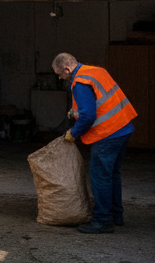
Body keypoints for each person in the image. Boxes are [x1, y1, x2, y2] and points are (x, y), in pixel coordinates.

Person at [53, 52, 138, 234]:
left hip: (107, 134)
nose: (60, 78)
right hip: (123, 128)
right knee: (112, 174)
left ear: (67, 69)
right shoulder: (96, 71)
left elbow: (89, 115)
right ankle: (116, 215)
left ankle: (103, 220)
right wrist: (76, 111)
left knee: (100, 177)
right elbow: (100, 102)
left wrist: (74, 133)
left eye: (60, 74)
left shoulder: (79, 83)